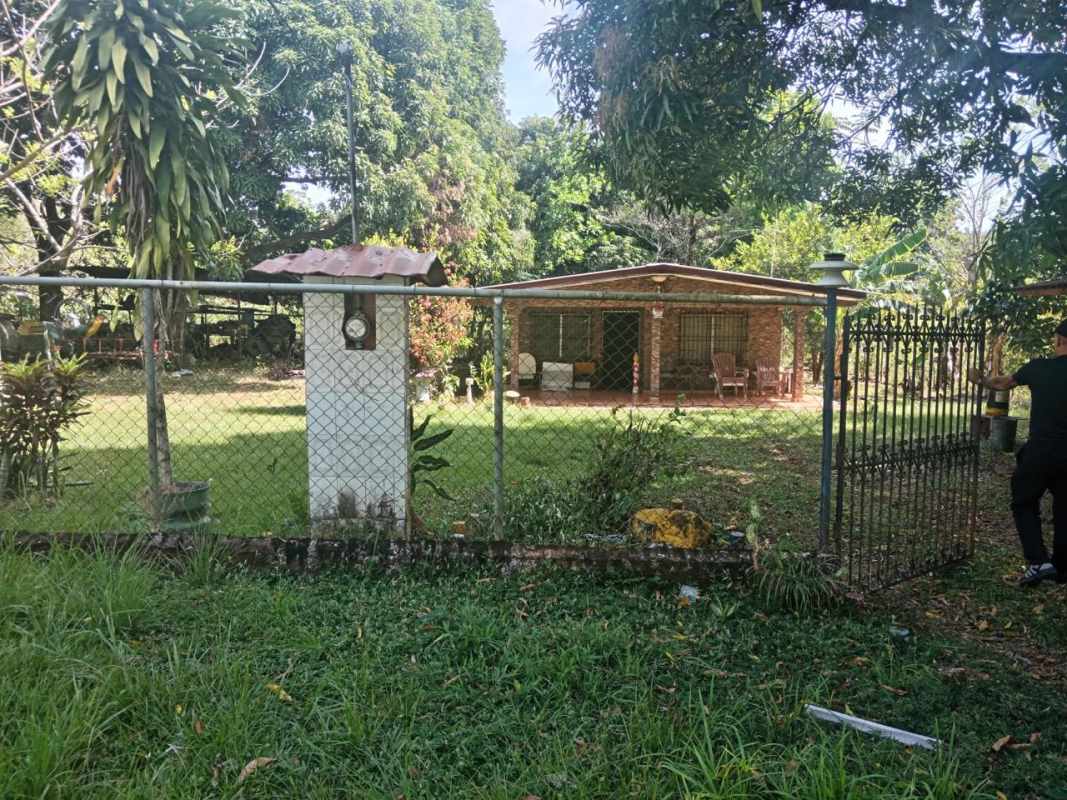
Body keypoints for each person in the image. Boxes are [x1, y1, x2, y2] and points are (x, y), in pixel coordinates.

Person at [968, 319, 1067, 587]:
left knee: (1023, 502)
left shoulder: (1038, 367)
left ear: (1058, 340)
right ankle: (1061, 568)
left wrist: (981, 380)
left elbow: (1002, 384)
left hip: (1041, 451)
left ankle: (1038, 562)